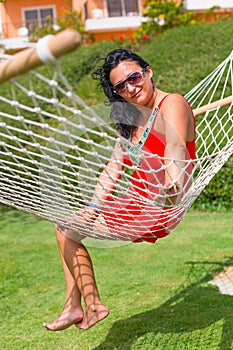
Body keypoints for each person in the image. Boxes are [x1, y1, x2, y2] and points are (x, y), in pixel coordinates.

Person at [42, 48, 195, 331]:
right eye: (121, 86)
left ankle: (87, 305)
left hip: (159, 203)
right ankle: (78, 306)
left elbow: (175, 148)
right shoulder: (131, 121)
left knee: (64, 230)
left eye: (134, 78)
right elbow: (113, 169)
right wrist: (92, 208)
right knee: (66, 228)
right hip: (134, 201)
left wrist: (172, 187)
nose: (130, 88)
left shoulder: (171, 103)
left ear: (148, 72)